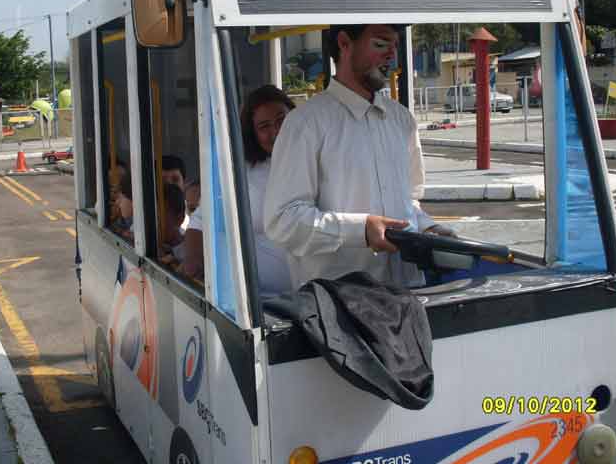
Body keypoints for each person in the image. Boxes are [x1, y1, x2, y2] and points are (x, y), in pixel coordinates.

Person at [264, 24, 453, 291]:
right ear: (344, 43)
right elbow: (283, 221)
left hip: (409, 294)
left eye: (395, 46)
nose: (391, 55)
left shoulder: (402, 120)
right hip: (340, 303)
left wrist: (429, 229)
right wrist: (360, 230)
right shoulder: (305, 124)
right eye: (380, 44)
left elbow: (409, 203)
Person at [182, 85, 295, 297]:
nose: (276, 131)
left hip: (314, 292)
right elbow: (201, 223)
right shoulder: (237, 171)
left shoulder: (317, 156)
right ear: (253, 133)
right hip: (260, 301)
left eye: (282, 120)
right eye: (264, 126)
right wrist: (193, 260)